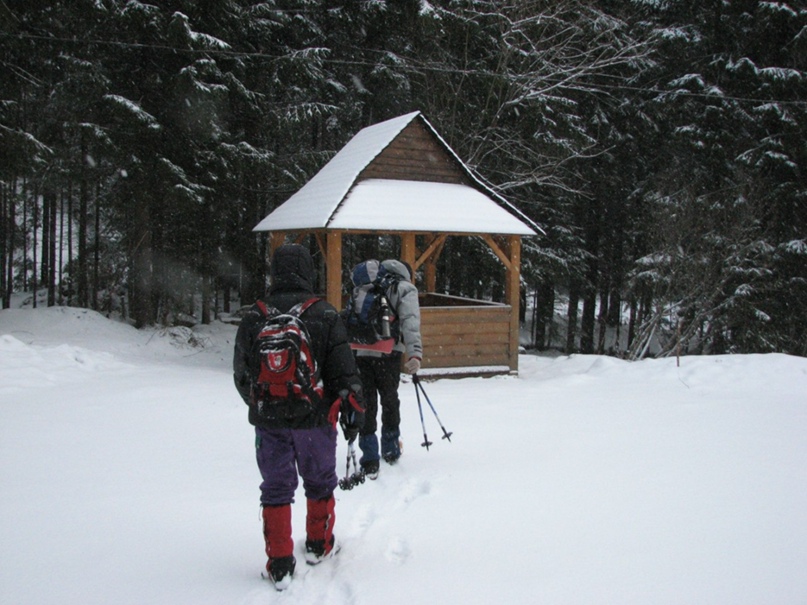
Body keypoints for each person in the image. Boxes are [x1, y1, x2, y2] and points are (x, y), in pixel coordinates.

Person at [233, 244, 364, 591]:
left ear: (274, 272)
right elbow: (343, 370)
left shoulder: (254, 316)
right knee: (319, 481)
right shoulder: (323, 313)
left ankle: (279, 561)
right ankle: (319, 544)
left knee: (275, 487)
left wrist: (262, 403)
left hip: (269, 419)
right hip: (315, 417)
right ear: (308, 271)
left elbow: (241, 374)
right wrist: (347, 402)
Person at [348, 259, 423, 478]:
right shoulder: (403, 288)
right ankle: (390, 449)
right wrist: (415, 353)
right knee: (389, 400)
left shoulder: (364, 286)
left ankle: (369, 457)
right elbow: (410, 321)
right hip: (387, 353)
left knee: (366, 403)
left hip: (359, 351)